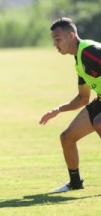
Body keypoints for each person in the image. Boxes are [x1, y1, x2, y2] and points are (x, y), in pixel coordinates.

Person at [39, 17, 101, 192]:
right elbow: (83, 98)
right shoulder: (79, 60)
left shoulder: (91, 51)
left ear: (71, 35)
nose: (55, 44)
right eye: (53, 40)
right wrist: (58, 110)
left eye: (58, 39)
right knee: (67, 137)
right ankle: (75, 183)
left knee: (99, 122)